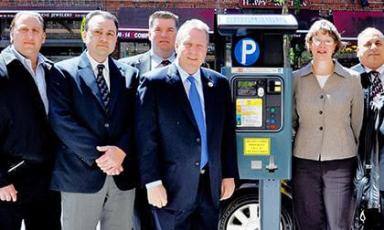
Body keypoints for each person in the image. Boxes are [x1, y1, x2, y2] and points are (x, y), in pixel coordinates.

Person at [135, 19, 238, 230]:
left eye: (199, 46)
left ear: (206, 49)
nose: (193, 51)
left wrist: (229, 174)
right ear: (176, 46)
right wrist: (152, 182)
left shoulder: (218, 84)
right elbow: (145, 138)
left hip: (209, 189)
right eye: (188, 44)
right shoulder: (154, 83)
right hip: (170, 189)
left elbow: (227, 134)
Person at [48, 10, 138, 230]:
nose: (104, 38)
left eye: (110, 33)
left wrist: (121, 151)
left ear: (116, 39)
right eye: (97, 32)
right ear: (85, 35)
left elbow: (137, 120)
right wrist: (102, 156)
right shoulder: (62, 72)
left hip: (122, 175)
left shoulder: (130, 74)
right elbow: (61, 121)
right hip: (79, 175)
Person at [292, 19, 364, 230]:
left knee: (340, 222)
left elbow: (357, 122)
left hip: (341, 161)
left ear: (335, 45)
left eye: (327, 40)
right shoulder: (296, 79)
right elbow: (292, 122)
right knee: (308, 220)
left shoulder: (352, 79)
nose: (322, 45)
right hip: (304, 161)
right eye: (317, 40)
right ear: (309, 44)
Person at [0, 11, 61, 230]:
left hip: (47, 180)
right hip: (10, 178)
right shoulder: (1, 69)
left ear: (44, 37)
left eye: (35, 30)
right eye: (23, 29)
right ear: (11, 33)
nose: (30, 35)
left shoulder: (53, 72)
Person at [120, 10, 179, 230]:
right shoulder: (126, 70)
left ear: (177, 34)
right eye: (158, 29)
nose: (164, 35)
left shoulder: (193, 71)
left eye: (170, 30)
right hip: (138, 171)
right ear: (148, 33)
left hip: (179, 172)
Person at [352, 27, 384, 230]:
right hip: (355, 173)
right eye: (367, 44)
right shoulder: (346, 79)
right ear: (357, 51)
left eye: (378, 43)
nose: (373, 47)